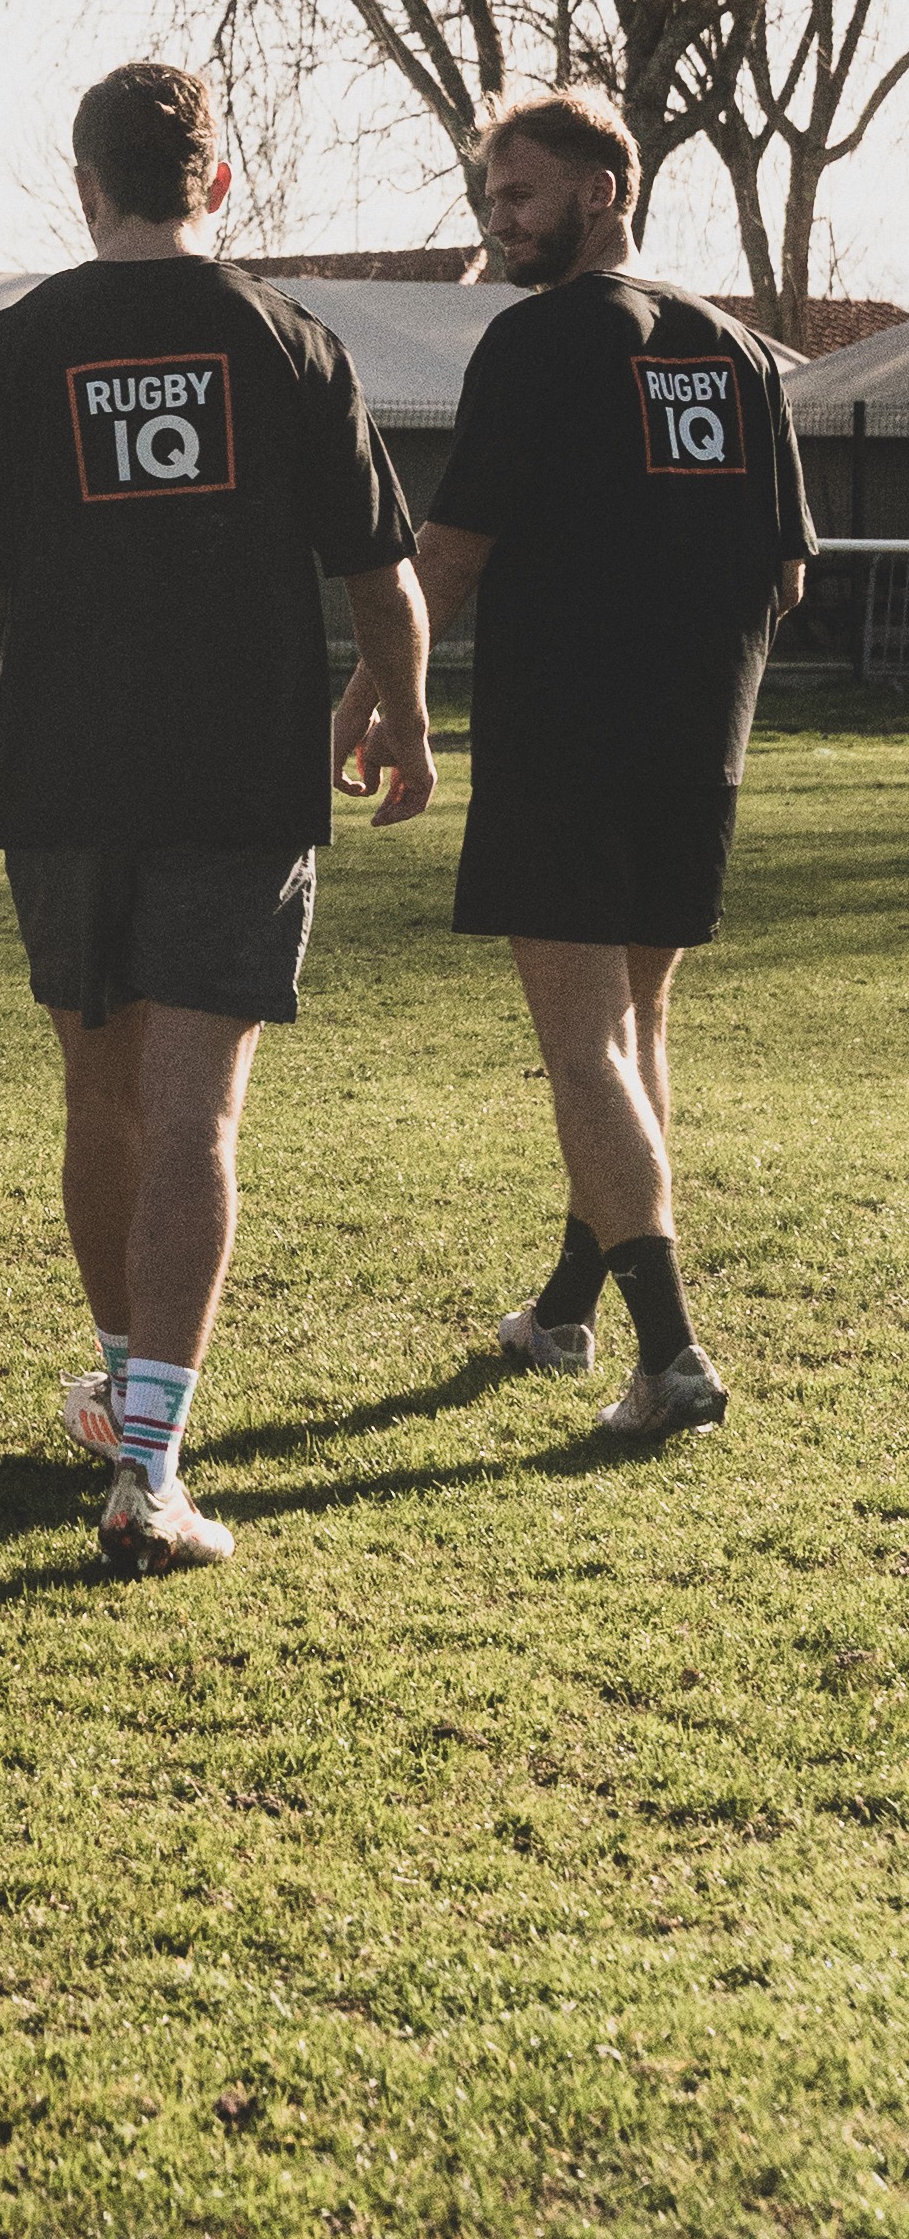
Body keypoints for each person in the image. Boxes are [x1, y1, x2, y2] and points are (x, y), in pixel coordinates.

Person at [0, 59, 435, 1576]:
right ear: (217, 181)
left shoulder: (8, 353)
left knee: (104, 1097)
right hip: (238, 780)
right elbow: (384, 580)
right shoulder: (289, 343)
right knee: (195, 1112)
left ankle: (130, 1390)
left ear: (85, 188)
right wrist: (400, 715)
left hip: (61, 784)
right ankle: (148, 1462)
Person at [332, 86, 812, 1439]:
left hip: (565, 741)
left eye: (521, 197)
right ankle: (563, 1309)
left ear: (602, 191)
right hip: (696, 746)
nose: (500, 223)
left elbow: (451, 555)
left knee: (584, 1042)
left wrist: (369, 696)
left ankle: (671, 1358)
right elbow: (782, 577)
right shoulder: (737, 352)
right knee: (635, 1028)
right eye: (492, 199)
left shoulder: (538, 342)